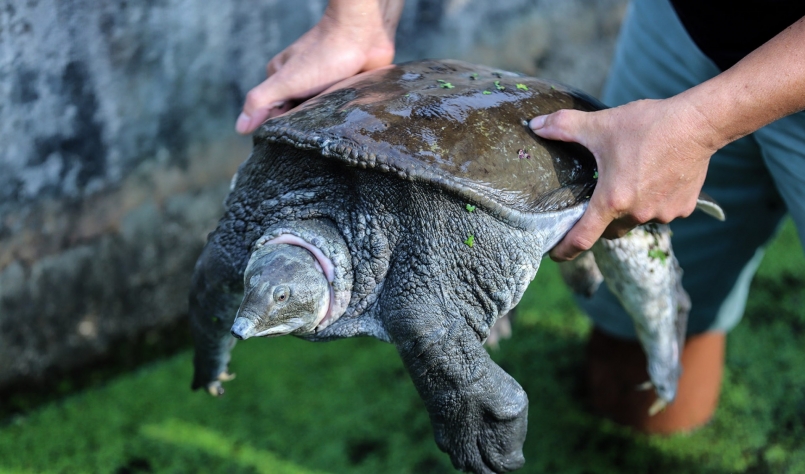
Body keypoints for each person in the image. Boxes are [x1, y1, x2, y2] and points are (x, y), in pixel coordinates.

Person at [234, 0, 805, 433]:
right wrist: (354, 21)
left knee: (647, 280)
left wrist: (704, 124)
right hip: (693, 23)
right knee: (629, 350)